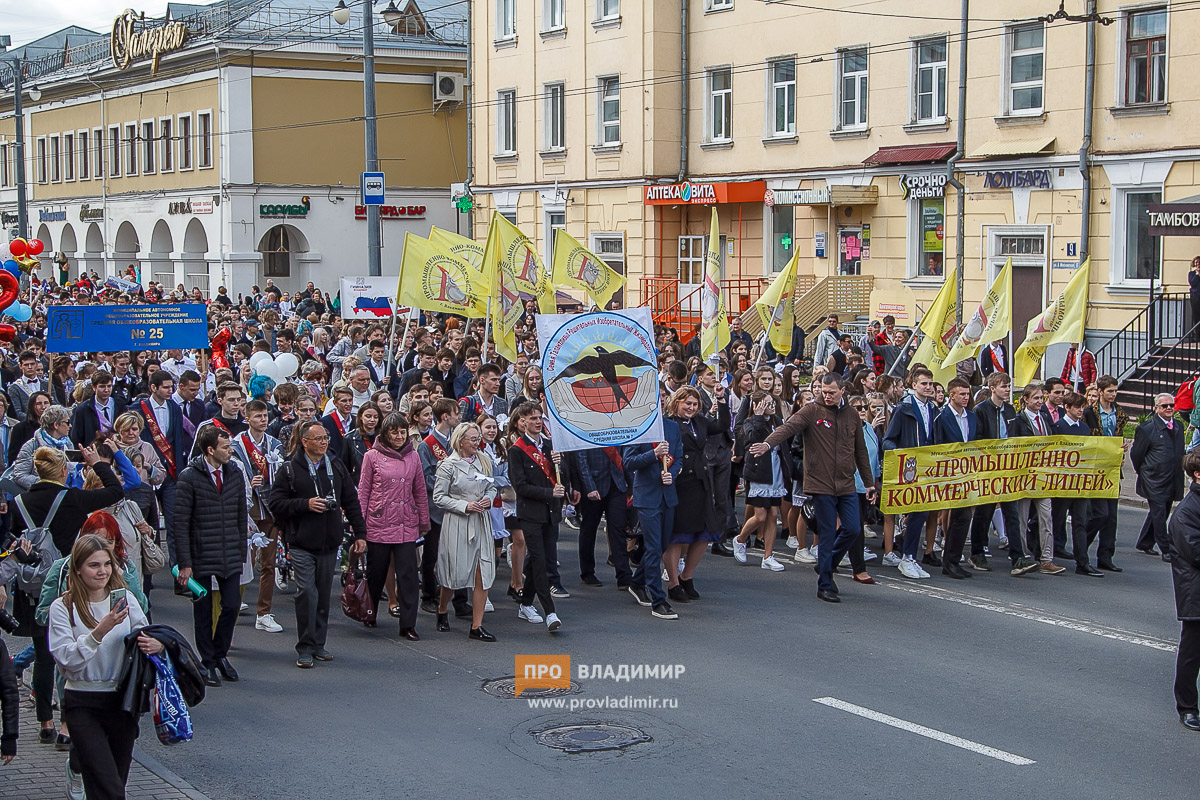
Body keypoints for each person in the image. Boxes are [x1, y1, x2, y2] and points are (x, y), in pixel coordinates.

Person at [48, 534, 162, 800]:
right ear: (77, 568)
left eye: (107, 564)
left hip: (122, 702)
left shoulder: (126, 601)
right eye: (94, 565)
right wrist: (98, 632)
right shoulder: (63, 608)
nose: (102, 571)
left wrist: (157, 645)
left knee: (115, 783)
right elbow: (66, 659)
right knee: (108, 786)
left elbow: (143, 638)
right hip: (82, 702)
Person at [752, 373, 875, 603]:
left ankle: (826, 564)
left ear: (843, 391)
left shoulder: (851, 415)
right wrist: (767, 444)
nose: (826, 396)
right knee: (827, 532)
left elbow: (860, 451)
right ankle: (825, 584)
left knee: (853, 529)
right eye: (823, 391)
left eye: (831, 392)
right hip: (821, 483)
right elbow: (788, 428)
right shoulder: (811, 410)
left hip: (846, 482)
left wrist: (869, 483)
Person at [268, 420, 368, 669]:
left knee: (323, 596)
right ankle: (304, 646)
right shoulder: (290, 469)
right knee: (306, 593)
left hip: (329, 541)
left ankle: (318, 644)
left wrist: (360, 534)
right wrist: (305, 504)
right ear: (305, 442)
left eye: (326, 438)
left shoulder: (335, 465)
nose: (324, 442)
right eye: (319, 439)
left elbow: (351, 501)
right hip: (302, 542)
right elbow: (276, 503)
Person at [174, 425, 248, 687]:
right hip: (200, 552)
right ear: (210, 450)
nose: (230, 451)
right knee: (203, 609)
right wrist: (185, 563)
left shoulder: (234, 473)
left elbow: (241, 513)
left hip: (229, 551)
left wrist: (241, 549)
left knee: (230, 605)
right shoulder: (189, 477)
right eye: (225, 447)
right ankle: (206, 661)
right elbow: (180, 522)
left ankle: (220, 655)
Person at [358, 412, 429, 640]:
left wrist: (423, 520)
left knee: (408, 576)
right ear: (385, 433)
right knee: (376, 573)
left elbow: (419, 490)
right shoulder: (372, 456)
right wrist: (359, 526)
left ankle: (408, 624)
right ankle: (369, 612)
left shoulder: (414, 457)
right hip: (379, 521)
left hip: (406, 522)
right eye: (394, 432)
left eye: (402, 431)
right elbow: (364, 492)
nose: (399, 436)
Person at [508, 402, 574, 632]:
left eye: (539, 417)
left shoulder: (549, 445)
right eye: (532, 418)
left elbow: (562, 475)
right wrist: (549, 492)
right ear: (523, 421)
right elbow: (520, 485)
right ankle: (550, 611)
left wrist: (561, 464)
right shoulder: (517, 450)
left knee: (542, 559)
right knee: (539, 559)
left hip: (551, 512)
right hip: (531, 513)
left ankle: (525, 603)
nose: (537, 421)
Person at [432, 422, 498, 641]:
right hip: (458, 523)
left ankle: (476, 626)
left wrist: (488, 499)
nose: (477, 442)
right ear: (460, 441)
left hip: (481, 522)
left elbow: (491, 486)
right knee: (454, 574)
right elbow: (439, 497)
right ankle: (442, 609)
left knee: (483, 571)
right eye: (472, 439)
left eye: (478, 438)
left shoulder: (483, 461)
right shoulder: (447, 465)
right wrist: (464, 506)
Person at [664, 385, 730, 600]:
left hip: (701, 480)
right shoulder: (669, 423)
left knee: (704, 533)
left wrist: (721, 400)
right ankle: (673, 583)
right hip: (680, 482)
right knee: (677, 536)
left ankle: (687, 577)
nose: (691, 408)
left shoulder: (700, 421)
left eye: (694, 404)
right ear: (677, 403)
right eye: (687, 404)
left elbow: (722, 425)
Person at [231, 399, 285, 634]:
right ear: (247, 418)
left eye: (265, 416)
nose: (262, 420)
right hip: (249, 509)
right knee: (244, 564)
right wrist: (247, 481)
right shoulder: (236, 445)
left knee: (269, 564)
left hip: (271, 508)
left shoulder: (274, 443)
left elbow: (282, 472)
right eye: (258, 416)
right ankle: (231, 609)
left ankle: (264, 613)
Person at [417, 398, 473, 617]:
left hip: (457, 506)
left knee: (459, 554)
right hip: (436, 509)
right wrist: (448, 485)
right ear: (444, 417)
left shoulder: (457, 442)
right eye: (456, 413)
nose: (459, 417)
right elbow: (424, 477)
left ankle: (460, 600)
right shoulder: (427, 445)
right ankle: (429, 595)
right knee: (432, 554)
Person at [881, 366, 938, 580]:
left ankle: (910, 556)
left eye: (930, 384)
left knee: (921, 513)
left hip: (927, 469)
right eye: (923, 383)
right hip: (909, 469)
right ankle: (906, 556)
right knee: (915, 512)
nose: (928, 387)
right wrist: (898, 454)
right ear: (913, 385)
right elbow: (888, 438)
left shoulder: (933, 410)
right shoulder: (904, 409)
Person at [733, 392, 791, 572]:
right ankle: (740, 539)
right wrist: (758, 417)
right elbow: (751, 438)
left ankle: (768, 556)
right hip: (759, 471)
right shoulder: (751, 421)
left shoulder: (777, 421)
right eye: (767, 403)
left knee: (773, 514)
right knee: (760, 516)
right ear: (757, 405)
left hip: (776, 472)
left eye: (773, 402)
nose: (772, 406)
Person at [1010, 383, 1065, 575]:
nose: (1040, 402)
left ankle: (1046, 559)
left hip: (1043, 476)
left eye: (1041, 398)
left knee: (1046, 518)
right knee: (1022, 518)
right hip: (1025, 476)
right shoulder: (1019, 420)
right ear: (1025, 399)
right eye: (1036, 398)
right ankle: (1023, 555)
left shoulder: (1045, 418)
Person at [1053, 392, 1104, 576]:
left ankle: (1082, 561)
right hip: (1062, 483)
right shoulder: (1058, 427)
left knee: (1080, 522)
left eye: (1082, 407)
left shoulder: (1083, 427)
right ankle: (1042, 552)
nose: (1081, 410)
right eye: (1077, 407)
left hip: (1080, 483)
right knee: (1056, 520)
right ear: (1067, 408)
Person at [933, 378, 979, 580]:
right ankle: (948, 559)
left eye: (967, 394)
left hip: (967, 472)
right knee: (953, 516)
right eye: (962, 394)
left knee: (963, 517)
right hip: (949, 472)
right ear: (951, 395)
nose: (966, 398)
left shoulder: (971, 416)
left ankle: (952, 559)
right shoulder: (942, 417)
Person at [1132, 393, 1186, 561]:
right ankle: (1167, 548)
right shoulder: (1147, 428)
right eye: (1164, 406)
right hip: (1153, 478)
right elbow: (1136, 454)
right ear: (1156, 408)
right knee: (1159, 512)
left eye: (1171, 405)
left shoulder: (1177, 426)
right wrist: (1145, 472)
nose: (1169, 408)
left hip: (1172, 476)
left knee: (1160, 511)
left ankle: (1145, 542)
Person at [1083, 375, 1129, 571]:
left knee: (1111, 516)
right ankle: (1082, 546)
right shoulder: (1090, 413)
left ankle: (1106, 555)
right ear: (1100, 392)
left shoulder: (1119, 413)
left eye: (1115, 391)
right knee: (1100, 513)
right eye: (1110, 391)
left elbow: (1117, 434)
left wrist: (1121, 447)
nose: (1113, 394)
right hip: (1095, 467)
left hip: (1112, 467)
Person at [1169, 450, 1200, 732]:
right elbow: (1196, 553)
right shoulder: (1186, 513)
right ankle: (1187, 707)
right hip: (1197, 596)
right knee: (1192, 654)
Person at [572, 443, 632, 590]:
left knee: (618, 530)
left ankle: (624, 576)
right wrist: (589, 486)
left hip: (617, 484)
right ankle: (587, 573)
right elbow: (581, 459)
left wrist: (631, 485)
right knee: (589, 530)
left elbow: (624, 454)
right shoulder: (586, 427)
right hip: (594, 484)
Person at [69, 371, 126, 446]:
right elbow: (76, 437)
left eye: (109, 386)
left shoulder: (120, 405)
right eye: (102, 386)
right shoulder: (82, 409)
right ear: (93, 387)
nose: (106, 390)